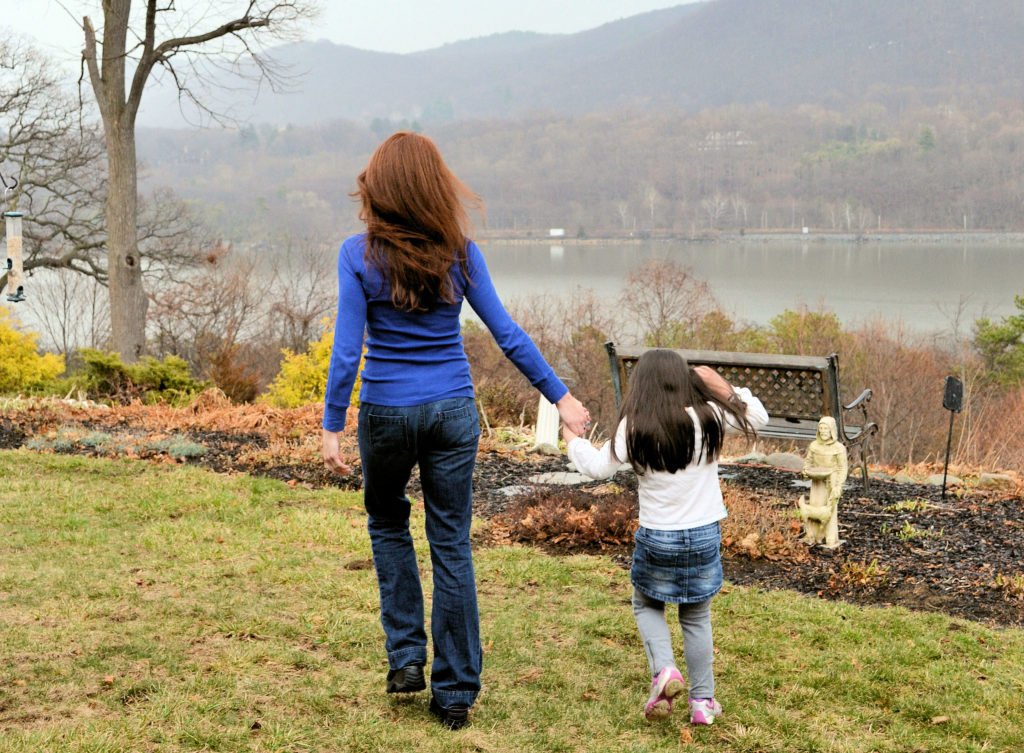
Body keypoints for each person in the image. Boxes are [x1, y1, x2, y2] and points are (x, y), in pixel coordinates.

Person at [320, 131, 589, 730]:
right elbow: (508, 334)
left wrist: (332, 424)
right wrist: (561, 396)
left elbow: (345, 352)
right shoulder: (461, 253)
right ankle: (456, 692)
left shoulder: (356, 254)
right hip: (451, 412)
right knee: (451, 542)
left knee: (388, 521)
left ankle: (407, 660)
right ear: (434, 186)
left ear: (380, 189)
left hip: (385, 412)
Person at [562, 350, 767, 725]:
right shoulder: (709, 416)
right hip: (704, 533)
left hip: (658, 535)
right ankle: (703, 702)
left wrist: (572, 439)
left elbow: (595, 468)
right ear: (685, 380)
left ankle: (665, 671)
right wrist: (724, 387)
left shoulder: (634, 426)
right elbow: (758, 417)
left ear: (642, 385)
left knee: (646, 605)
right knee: (696, 615)